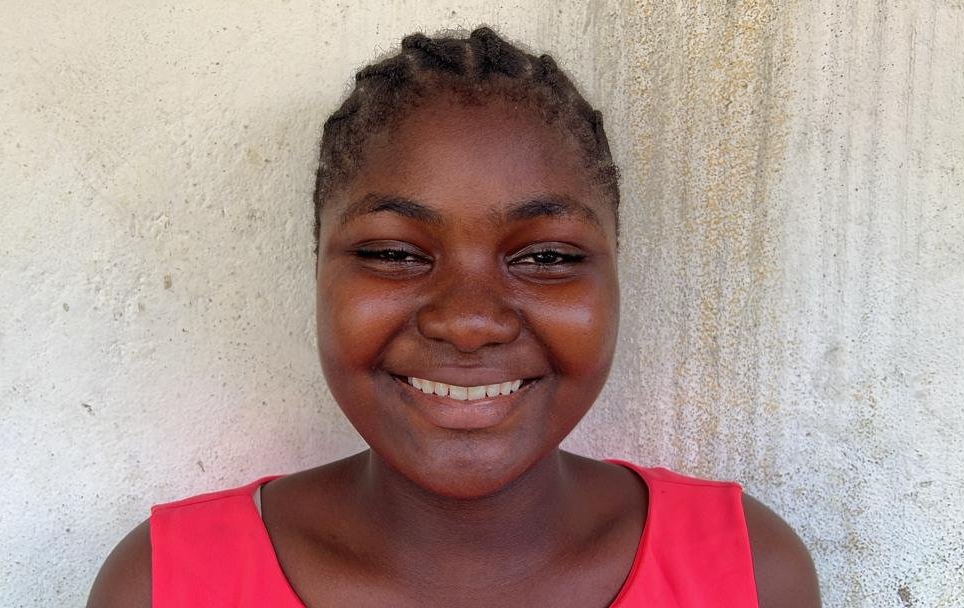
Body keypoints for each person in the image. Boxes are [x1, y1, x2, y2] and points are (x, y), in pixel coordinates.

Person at [87, 27, 820, 607]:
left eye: (547, 258)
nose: (469, 323)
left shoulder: (750, 577)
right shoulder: (160, 589)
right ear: (317, 269)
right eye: (394, 254)